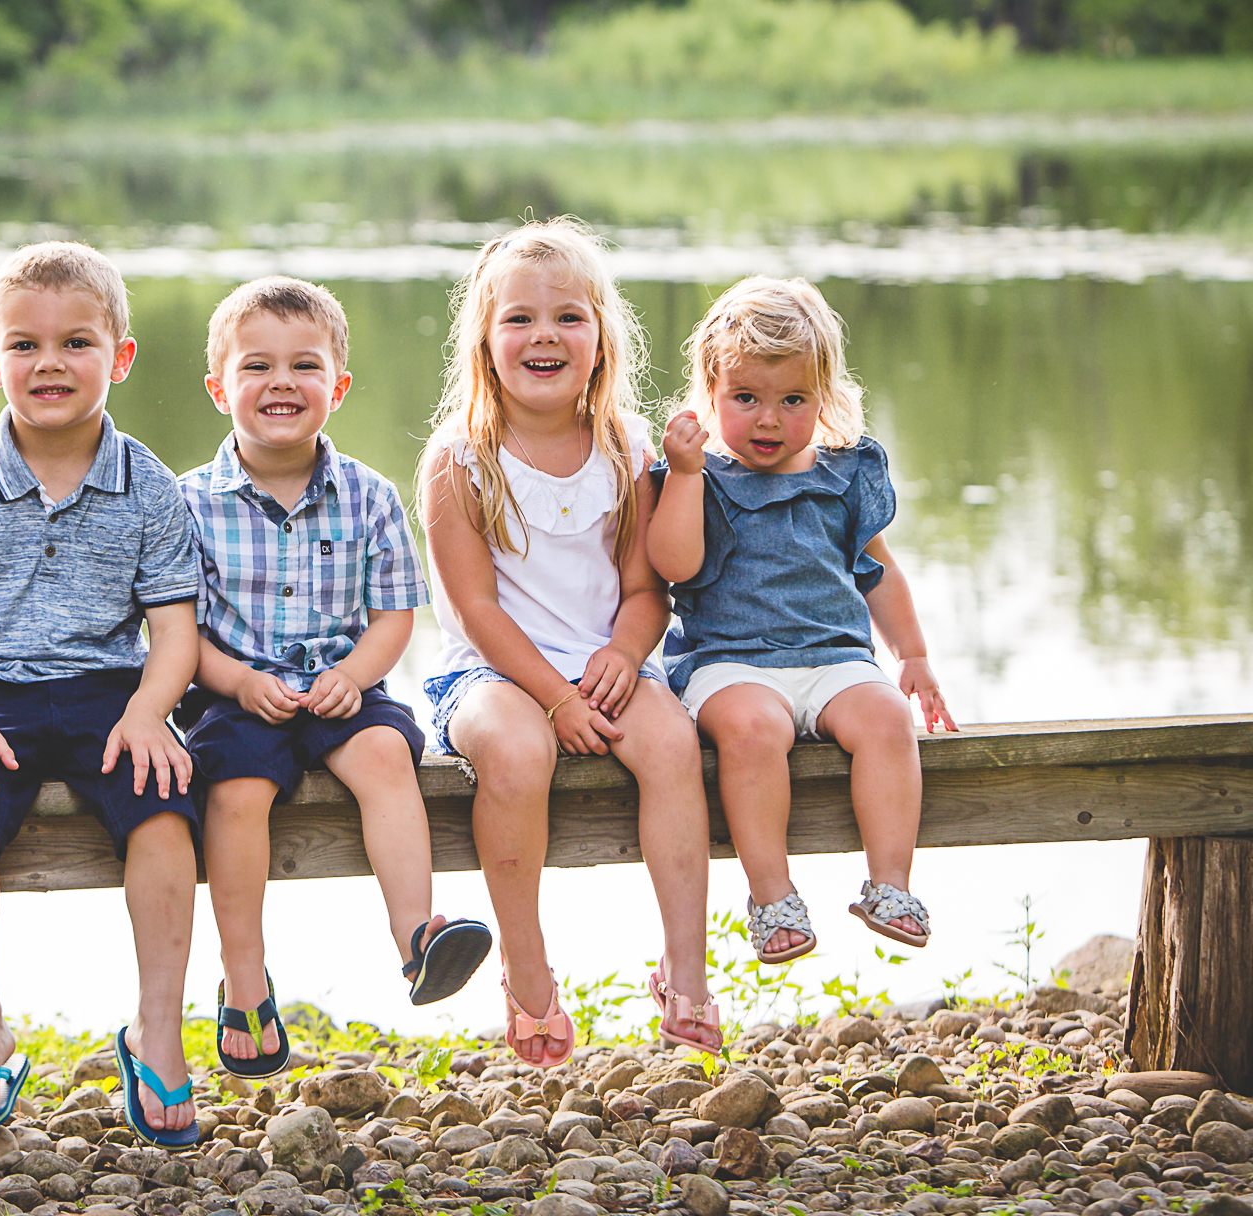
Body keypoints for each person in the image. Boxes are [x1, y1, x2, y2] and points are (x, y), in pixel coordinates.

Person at [0, 242, 202, 1148]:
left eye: (76, 343)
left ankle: (159, 1030)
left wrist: (152, 711)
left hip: (113, 692)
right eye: (25, 346)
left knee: (164, 803)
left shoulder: (149, 483)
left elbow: (175, 630)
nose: (49, 364)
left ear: (120, 356)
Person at [417, 217, 721, 1060]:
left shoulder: (625, 446)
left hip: (603, 666)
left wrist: (624, 656)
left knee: (670, 741)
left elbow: (642, 589)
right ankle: (528, 969)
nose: (543, 335)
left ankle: (686, 971)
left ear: (601, 339)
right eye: (518, 318)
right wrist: (552, 699)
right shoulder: (459, 457)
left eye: (567, 318)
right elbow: (476, 610)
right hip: (491, 677)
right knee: (516, 754)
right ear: (484, 340)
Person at [178, 276, 492, 1079]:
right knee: (237, 791)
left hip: (341, 686)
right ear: (219, 388)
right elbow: (174, 629)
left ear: (338, 387)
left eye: (304, 365)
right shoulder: (189, 504)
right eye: (257, 367)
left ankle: (417, 936)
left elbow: (393, 616)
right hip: (235, 693)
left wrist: (356, 674)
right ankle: (245, 981)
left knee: (389, 758)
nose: (281, 382)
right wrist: (238, 681)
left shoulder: (370, 495)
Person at [649, 275, 954, 967]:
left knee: (884, 720)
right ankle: (772, 894)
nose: (767, 420)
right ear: (710, 394)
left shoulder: (846, 473)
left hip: (834, 658)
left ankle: (890, 884)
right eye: (746, 398)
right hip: (728, 663)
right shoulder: (700, 475)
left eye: (793, 401)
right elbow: (671, 564)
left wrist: (910, 654)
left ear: (824, 397)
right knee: (756, 729)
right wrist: (687, 475)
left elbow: (878, 570)